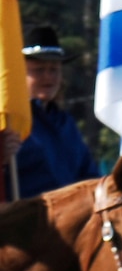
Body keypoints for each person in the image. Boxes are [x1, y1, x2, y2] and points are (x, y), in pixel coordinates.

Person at [2, 24, 98, 198]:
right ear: (19, 74)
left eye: (54, 70)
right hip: (23, 220)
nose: (48, 77)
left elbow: (90, 176)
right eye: (39, 70)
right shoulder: (8, 121)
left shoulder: (65, 122)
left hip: (71, 219)